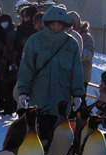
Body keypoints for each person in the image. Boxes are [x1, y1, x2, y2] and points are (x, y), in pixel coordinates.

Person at [17, 5, 85, 146]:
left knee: (58, 138)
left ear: (64, 24)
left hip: (62, 97)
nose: (56, 27)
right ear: (47, 23)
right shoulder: (35, 41)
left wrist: (78, 93)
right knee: (37, 135)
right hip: (39, 96)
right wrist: (23, 91)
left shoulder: (71, 43)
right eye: (53, 24)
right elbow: (26, 67)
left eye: (59, 24)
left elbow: (76, 70)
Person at [67, 11, 95, 106]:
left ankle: (81, 118)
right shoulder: (66, 36)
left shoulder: (85, 36)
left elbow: (90, 52)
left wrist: (80, 53)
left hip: (82, 75)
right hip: (69, 75)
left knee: (80, 100)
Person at [0, 14, 18, 116]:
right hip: (9, 61)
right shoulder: (6, 31)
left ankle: (9, 108)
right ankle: (10, 106)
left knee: (10, 85)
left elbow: (11, 48)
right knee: (9, 85)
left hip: (11, 62)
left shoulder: (10, 33)